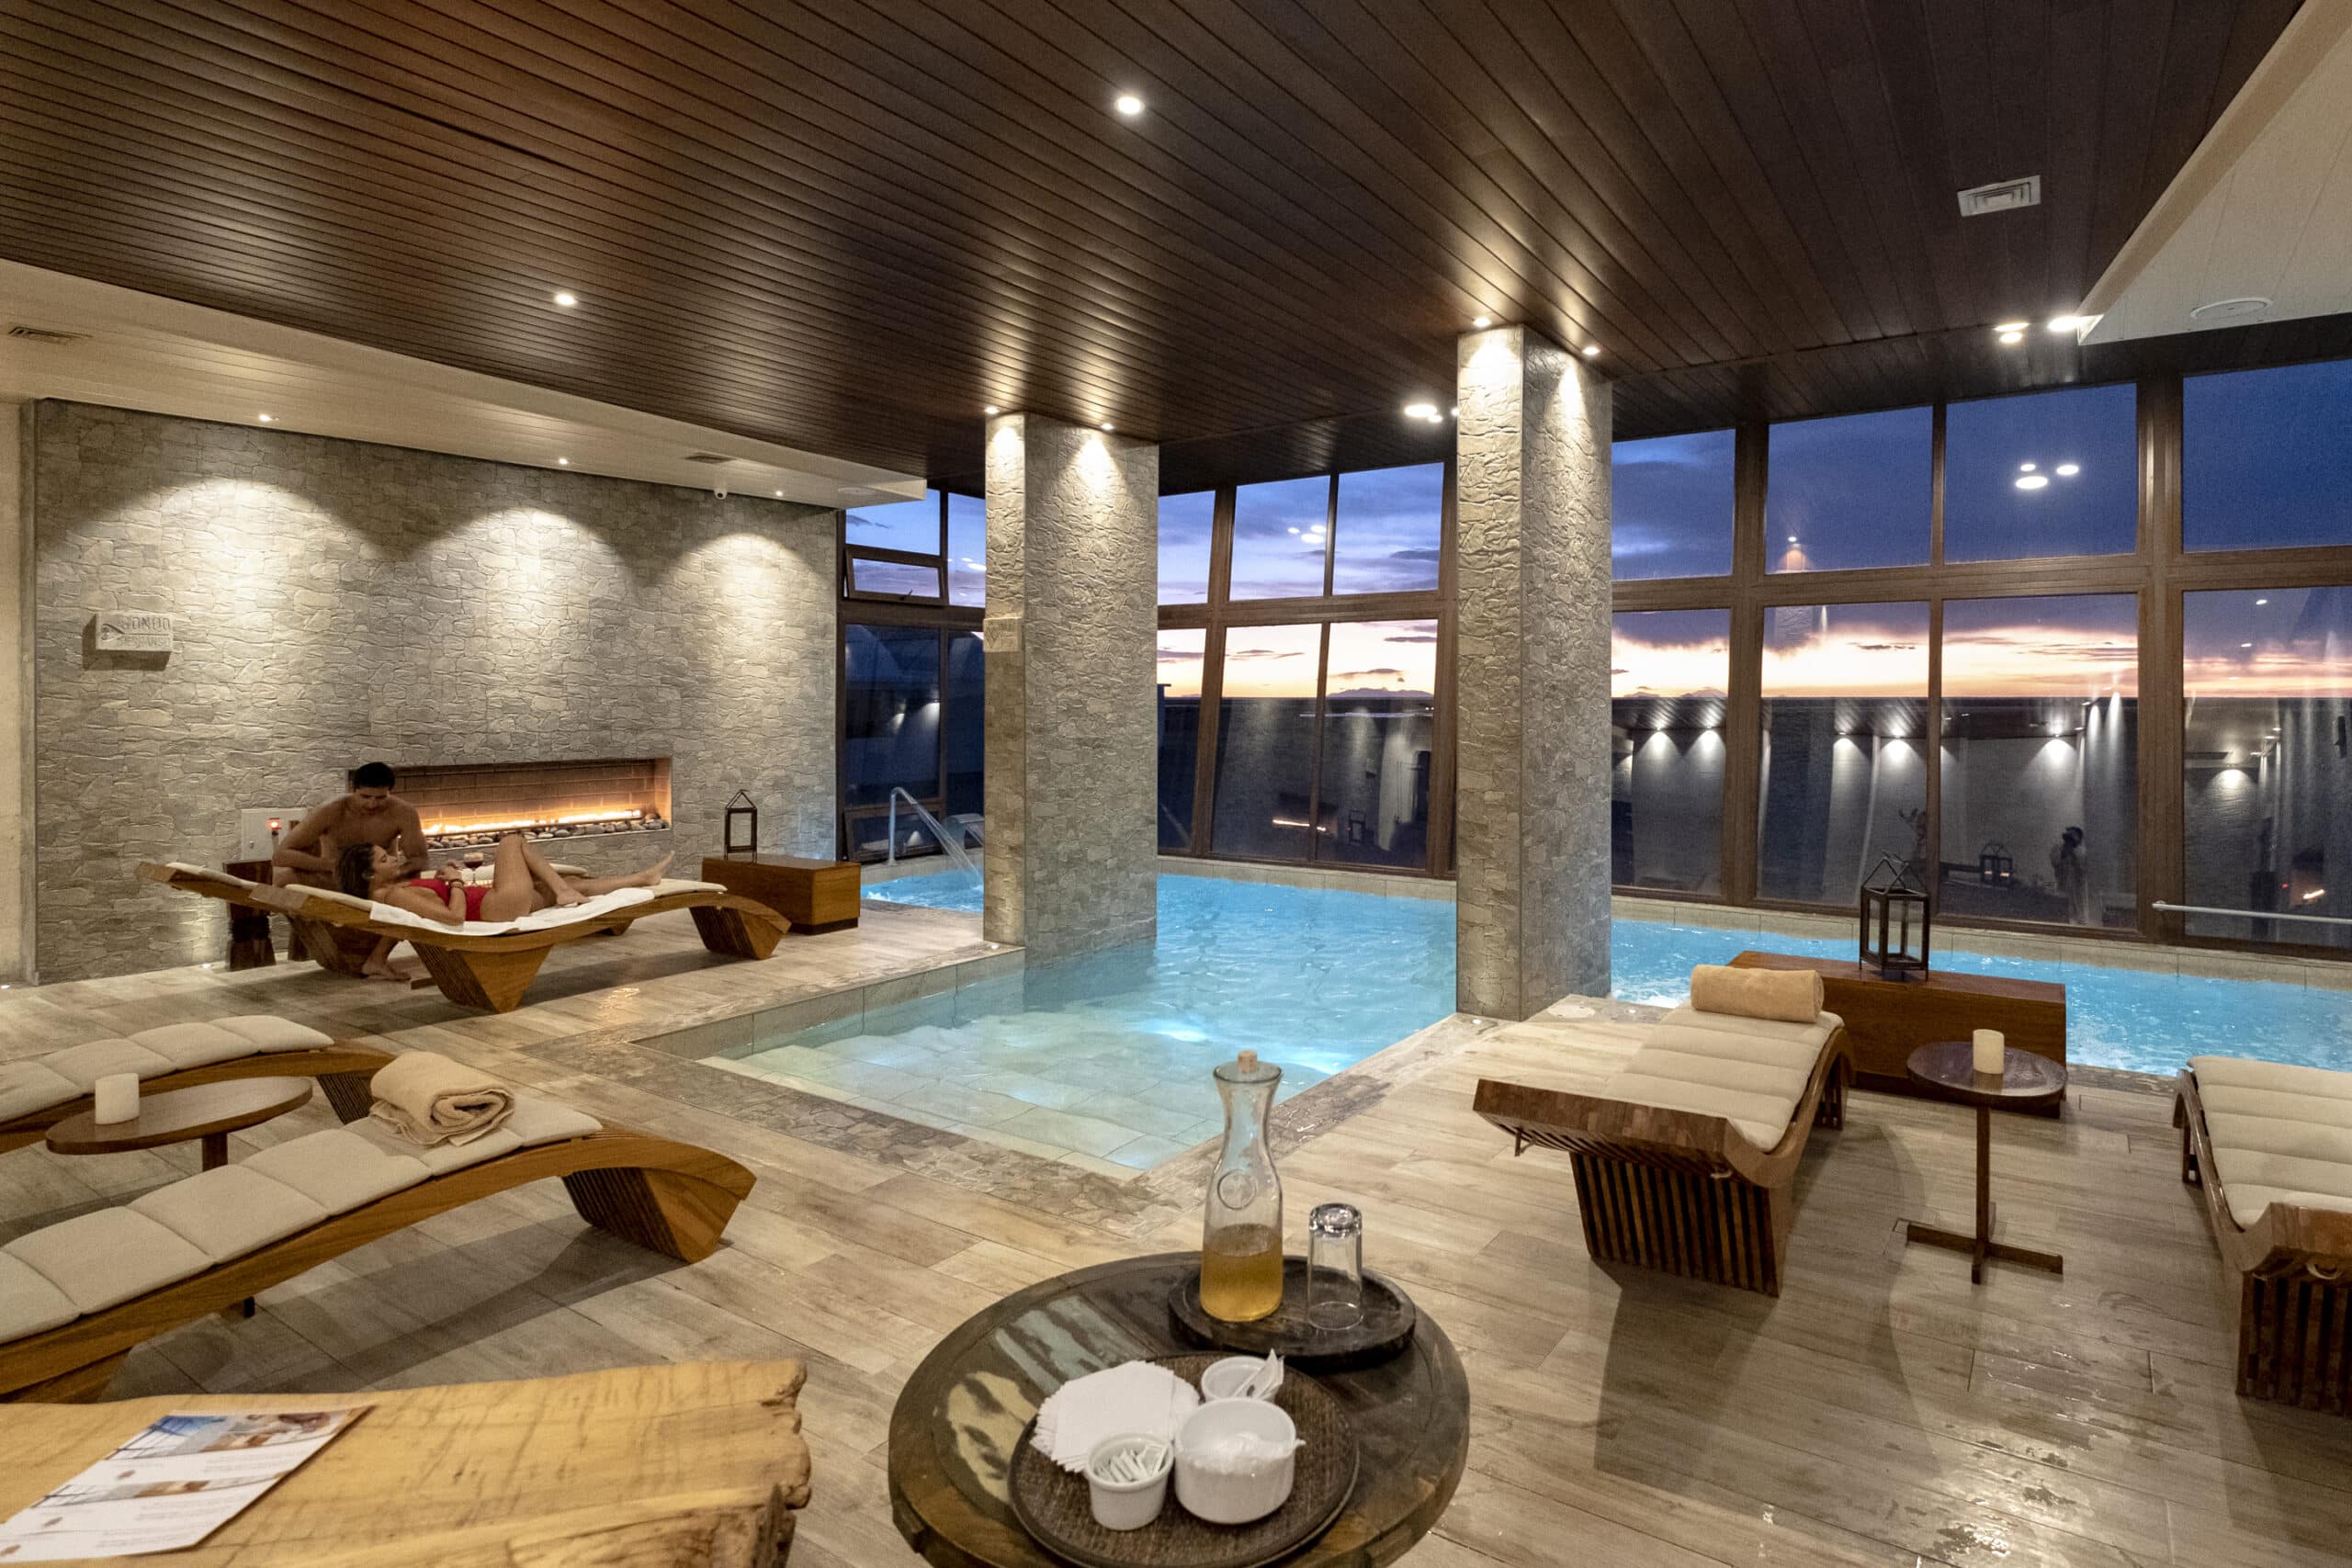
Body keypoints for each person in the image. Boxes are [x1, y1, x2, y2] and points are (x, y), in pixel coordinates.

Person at [337, 830, 673, 936]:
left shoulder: (393, 892)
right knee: (511, 842)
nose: (394, 859)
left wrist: (445, 878)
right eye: (385, 860)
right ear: (369, 876)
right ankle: (562, 890)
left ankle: (643, 878)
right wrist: (455, 883)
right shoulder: (396, 896)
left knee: (569, 881)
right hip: (495, 910)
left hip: (495, 901)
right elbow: (453, 918)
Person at [273, 763, 429, 978]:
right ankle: (313, 926)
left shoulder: (403, 812)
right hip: (335, 879)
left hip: (377, 883)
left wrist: (395, 873)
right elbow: (281, 855)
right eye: (365, 797)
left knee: (414, 884)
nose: (372, 804)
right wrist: (332, 865)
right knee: (282, 876)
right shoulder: (331, 810)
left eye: (380, 798)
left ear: (390, 793)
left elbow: (420, 859)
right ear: (352, 789)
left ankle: (377, 959)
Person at [2051, 826, 2094, 926]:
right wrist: (2063, 854)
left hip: (2078, 889)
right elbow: (2055, 862)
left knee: (2080, 915)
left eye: (2072, 839)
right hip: (2063, 887)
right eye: (2068, 838)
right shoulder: (2059, 848)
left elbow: (2083, 870)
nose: (2069, 842)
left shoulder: (2082, 852)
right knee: (2063, 914)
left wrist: (2073, 855)